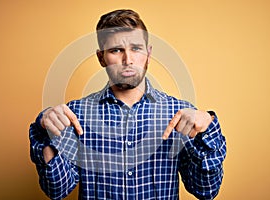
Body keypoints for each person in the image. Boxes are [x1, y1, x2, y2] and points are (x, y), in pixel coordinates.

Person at [29, 9, 226, 200]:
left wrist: (208, 129)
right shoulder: (76, 115)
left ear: (148, 54)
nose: (128, 60)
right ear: (101, 57)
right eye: (116, 50)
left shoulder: (179, 114)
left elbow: (206, 190)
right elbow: (57, 190)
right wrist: (44, 129)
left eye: (136, 48)